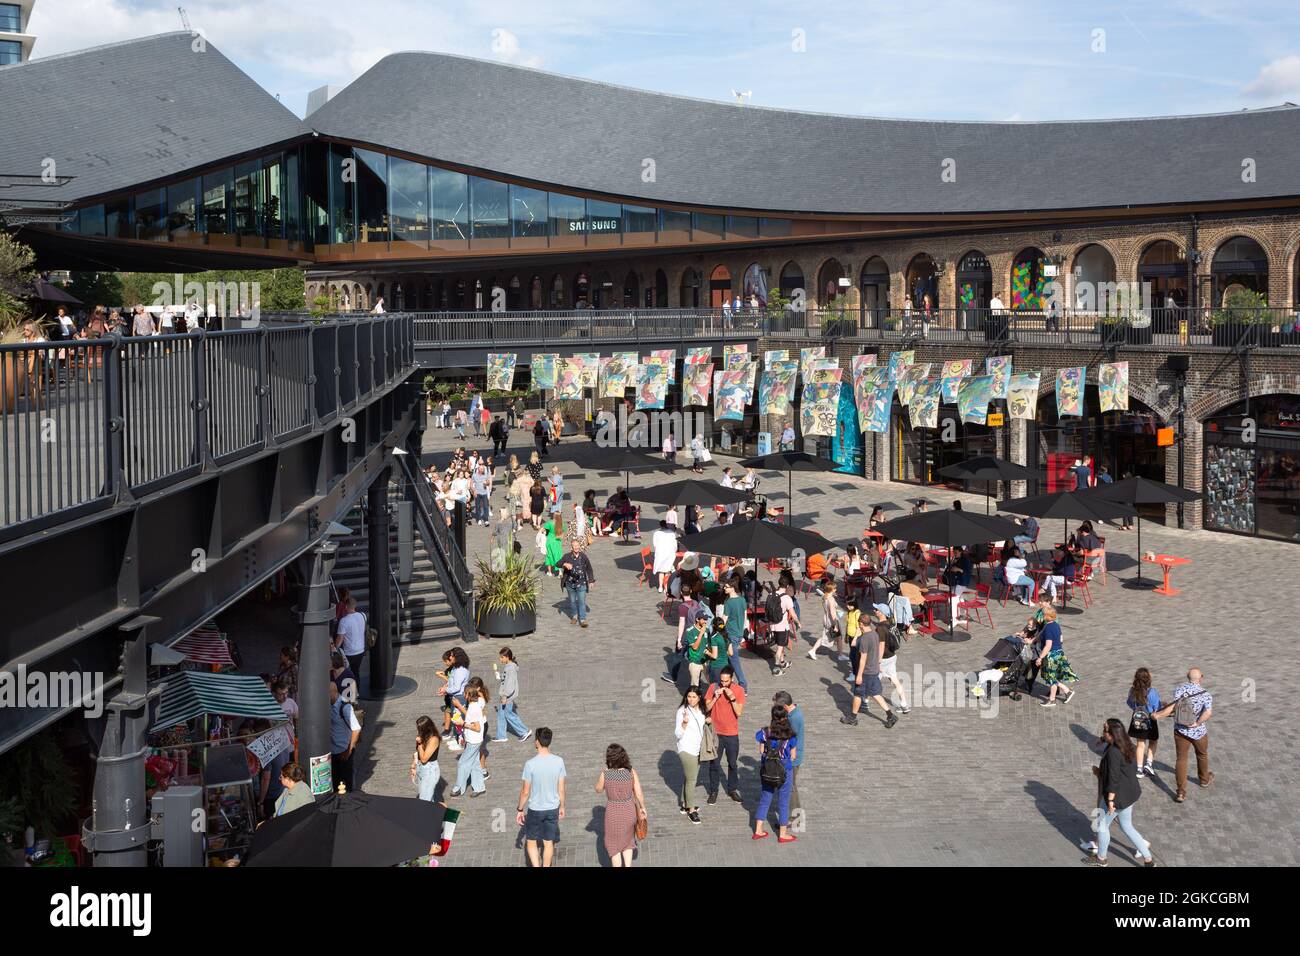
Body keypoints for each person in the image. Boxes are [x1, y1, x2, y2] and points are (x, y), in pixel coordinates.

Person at [1084, 719, 1155, 867]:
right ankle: (1148, 859)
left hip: (1117, 796)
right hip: (1130, 793)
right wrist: (1103, 740)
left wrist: (1110, 801)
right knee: (1127, 827)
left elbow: (1114, 778)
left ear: (1112, 735)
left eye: (1105, 731)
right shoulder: (1125, 744)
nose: (1102, 733)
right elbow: (1118, 771)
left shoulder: (1113, 753)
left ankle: (1101, 859)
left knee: (1102, 826)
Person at [1154, 668, 1213, 804]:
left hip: (1181, 730)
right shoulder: (1206, 695)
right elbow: (1208, 713)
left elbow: (1174, 708)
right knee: (1202, 754)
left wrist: (1158, 715)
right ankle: (1204, 779)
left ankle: (1181, 792)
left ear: (1188, 677)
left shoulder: (1179, 690)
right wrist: (1197, 723)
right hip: (1199, 732)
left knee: (1181, 759)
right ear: (1201, 678)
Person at [517, 727, 567, 867]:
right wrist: (562, 806)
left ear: (537, 742)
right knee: (548, 842)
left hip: (535, 810)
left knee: (531, 841)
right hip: (552, 808)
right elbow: (561, 789)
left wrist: (520, 809)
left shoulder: (530, 764)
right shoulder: (559, 761)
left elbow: (525, 792)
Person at [841, 610, 899, 727]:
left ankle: (853, 717)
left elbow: (862, 657)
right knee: (876, 694)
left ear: (861, 624)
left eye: (859, 624)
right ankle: (890, 715)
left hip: (866, 672)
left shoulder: (863, 639)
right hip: (874, 669)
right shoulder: (874, 634)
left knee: (858, 694)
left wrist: (859, 675)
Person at [595, 744, 647, 867]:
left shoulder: (606, 774)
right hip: (629, 810)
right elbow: (639, 793)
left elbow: (598, 789)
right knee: (628, 841)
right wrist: (642, 808)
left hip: (613, 811)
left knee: (614, 846)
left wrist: (603, 777)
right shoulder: (631, 772)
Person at [752, 705, 798, 843]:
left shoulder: (764, 732)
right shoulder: (791, 735)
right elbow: (793, 756)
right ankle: (783, 835)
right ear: (785, 718)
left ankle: (758, 830)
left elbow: (761, 751)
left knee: (765, 799)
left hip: (768, 770)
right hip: (784, 771)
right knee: (783, 802)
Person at [705, 666, 746, 805]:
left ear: (732, 679)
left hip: (731, 733)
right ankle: (713, 791)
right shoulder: (712, 688)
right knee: (714, 764)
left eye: (726, 681)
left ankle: (732, 789)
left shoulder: (739, 690)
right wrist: (715, 697)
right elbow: (707, 708)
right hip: (716, 733)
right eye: (722, 681)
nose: (723, 684)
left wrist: (733, 698)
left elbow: (739, 712)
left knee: (733, 763)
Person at [1033, 604, 1078, 707]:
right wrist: (1032, 640)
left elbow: (1048, 645)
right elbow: (1060, 639)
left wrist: (1040, 658)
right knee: (1051, 677)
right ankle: (1065, 692)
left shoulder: (1048, 627)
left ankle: (1053, 699)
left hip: (1051, 655)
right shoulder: (1054, 624)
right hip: (1058, 653)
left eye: (1043, 614)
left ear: (1047, 616)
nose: (1042, 616)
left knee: (1051, 677)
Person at [674, 687, 707, 824]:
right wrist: (684, 723)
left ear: (699, 697)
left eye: (694, 697)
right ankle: (691, 810)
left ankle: (685, 804)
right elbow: (677, 734)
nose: (691, 699)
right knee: (692, 780)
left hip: (698, 748)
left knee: (689, 778)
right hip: (686, 749)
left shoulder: (701, 710)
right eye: (689, 696)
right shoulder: (682, 711)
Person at [450, 680, 488, 798]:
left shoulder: (473, 708)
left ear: (468, 695)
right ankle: (479, 787)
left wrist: (462, 723)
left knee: (462, 763)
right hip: (475, 740)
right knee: (475, 763)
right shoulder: (475, 705)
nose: (464, 695)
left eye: (465, 694)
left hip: (474, 741)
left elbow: (476, 728)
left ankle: (458, 788)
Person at [772, 690, 804, 816]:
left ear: (784, 706)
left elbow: (789, 739)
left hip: (792, 758)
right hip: (791, 757)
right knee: (791, 787)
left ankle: (794, 816)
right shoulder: (793, 712)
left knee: (790, 788)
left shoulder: (794, 718)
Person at [491, 646, 531, 742]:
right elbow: (506, 678)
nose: (500, 659)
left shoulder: (511, 668)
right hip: (505, 696)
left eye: (502, 657)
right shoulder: (508, 667)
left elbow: (510, 684)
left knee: (509, 715)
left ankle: (524, 731)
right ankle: (501, 736)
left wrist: (505, 696)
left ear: (507, 657)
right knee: (501, 714)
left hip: (507, 697)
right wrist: (500, 676)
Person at [1126, 667, 1161, 776]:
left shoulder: (1132, 690)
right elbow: (1157, 707)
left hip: (1137, 719)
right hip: (1150, 720)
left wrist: (1137, 708)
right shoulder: (1152, 692)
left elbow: (1129, 703)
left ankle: (1139, 769)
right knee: (1153, 742)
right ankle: (1149, 764)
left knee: (1140, 744)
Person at [716, 578, 750, 690]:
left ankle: (743, 685)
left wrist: (718, 630)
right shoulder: (742, 600)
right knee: (729, 659)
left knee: (734, 660)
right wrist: (744, 630)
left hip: (730, 634)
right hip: (739, 633)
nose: (724, 588)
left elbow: (724, 620)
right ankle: (728, 681)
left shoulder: (728, 602)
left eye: (726, 587)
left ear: (732, 588)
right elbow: (745, 617)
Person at [329, 681, 361, 792]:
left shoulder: (345, 707)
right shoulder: (328, 705)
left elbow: (356, 729)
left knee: (347, 784)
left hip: (344, 752)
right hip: (332, 752)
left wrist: (348, 750)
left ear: (334, 693)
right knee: (336, 783)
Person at [559, 539, 595, 627]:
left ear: (580, 546)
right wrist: (564, 564)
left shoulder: (583, 557)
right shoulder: (567, 556)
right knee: (572, 601)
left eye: (577, 545)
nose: (576, 547)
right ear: (571, 547)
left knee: (582, 601)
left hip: (581, 583)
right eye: (574, 546)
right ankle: (574, 616)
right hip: (570, 584)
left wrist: (591, 580)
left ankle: (582, 619)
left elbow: (589, 569)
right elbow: (557, 563)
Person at [808, 576, 844, 661]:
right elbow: (832, 613)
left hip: (826, 619)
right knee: (827, 637)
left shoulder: (825, 597)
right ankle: (813, 650)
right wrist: (835, 625)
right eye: (835, 589)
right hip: (831, 621)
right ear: (832, 589)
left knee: (835, 637)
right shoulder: (830, 599)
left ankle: (840, 654)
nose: (836, 590)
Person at [334, 596, 367, 682]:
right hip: (361, 650)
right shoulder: (363, 615)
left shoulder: (344, 621)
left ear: (345, 607)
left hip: (349, 652)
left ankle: (350, 692)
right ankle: (357, 692)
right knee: (356, 671)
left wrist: (334, 649)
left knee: (347, 674)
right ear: (355, 606)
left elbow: (340, 638)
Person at [410, 715, 442, 802]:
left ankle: (430, 814)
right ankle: (433, 814)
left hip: (429, 770)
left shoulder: (434, 739)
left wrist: (420, 744)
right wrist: (413, 766)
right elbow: (418, 754)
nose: (417, 731)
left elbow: (424, 759)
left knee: (425, 800)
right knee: (426, 797)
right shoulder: (422, 735)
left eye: (419, 729)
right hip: (421, 768)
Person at [944, 545, 974, 626]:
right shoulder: (956, 558)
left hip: (963, 582)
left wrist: (958, 569)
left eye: (956, 552)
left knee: (952, 599)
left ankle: (954, 618)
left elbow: (968, 572)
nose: (954, 554)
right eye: (954, 552)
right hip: (956, 581)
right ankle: (962, 615)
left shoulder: (966, 560)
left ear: (960, 552)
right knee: (959, 598)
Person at [651, 519, 677, 593]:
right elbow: (675, 545)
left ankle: (660, 587)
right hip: (669, 554)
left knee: (661, 571)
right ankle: (666, 588)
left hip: (660, 554)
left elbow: (655, 545)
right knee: (667, 571)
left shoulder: (656, 533)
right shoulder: (672, 533)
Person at [471, 460, 492, 527]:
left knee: (486, 506)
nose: (483, 470)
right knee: (478, 507)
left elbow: (488, 482)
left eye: (483, 469)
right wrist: (474, 491)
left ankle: (486, 520)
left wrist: (486, 483)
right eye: (481, 469)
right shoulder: (474, 475)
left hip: (484, 493)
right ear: (478, 470)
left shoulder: (485, 475)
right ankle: (479, 519)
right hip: (477, 493)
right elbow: (471, 484)